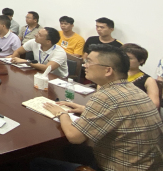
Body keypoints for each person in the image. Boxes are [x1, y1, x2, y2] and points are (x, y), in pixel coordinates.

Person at [34, 45, 163, 171]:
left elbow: (75, 137)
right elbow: (120, 112)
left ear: (108, 70)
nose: (84, 65)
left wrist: (62, 113)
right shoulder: (133, 89)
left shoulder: (106, 96)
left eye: (89, 62)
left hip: (121, 166)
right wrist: (85, 109)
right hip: (150, 165)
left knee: (37, 161)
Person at [122, 44, 160, 108]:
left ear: (141, 60)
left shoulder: (149, 80)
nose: (125, 60)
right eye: (123, 57)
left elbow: (154, 104)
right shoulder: (114, 75)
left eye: (129, 58)